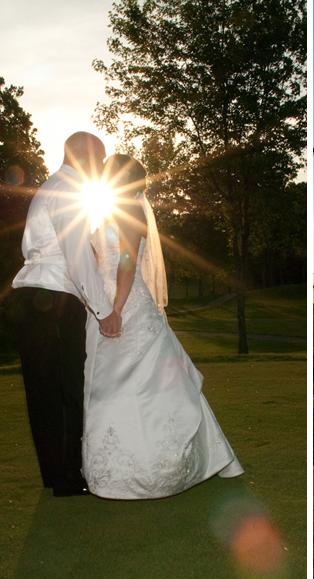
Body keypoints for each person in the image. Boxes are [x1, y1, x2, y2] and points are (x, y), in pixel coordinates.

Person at [81, 155, 243, 499]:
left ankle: (157, 470)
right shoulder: (110, 211)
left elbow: (126, 265)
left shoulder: (131, 212)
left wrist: (116, 310)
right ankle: (113, 469)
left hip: (125, 303)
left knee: (133, 385)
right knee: (108, 385)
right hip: (104, 303)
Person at [12, 132, 121, 497]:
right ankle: (68, 479)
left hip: (32, 297)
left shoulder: (50, 186)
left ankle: (55, 474)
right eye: (99, 158)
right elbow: (77, 260)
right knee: (66, 390)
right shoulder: (69, 192)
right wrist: (105, 311)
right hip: (54, 298)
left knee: (43, 392)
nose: (101, 167)